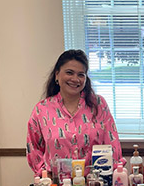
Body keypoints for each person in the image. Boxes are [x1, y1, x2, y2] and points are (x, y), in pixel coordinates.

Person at [27, 49, 125, 177]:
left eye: (81, 74)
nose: (75, 79)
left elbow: (113, 146)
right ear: (57, 75)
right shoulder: (42, 110)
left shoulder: (99, 104)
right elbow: (33, 149)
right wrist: (46, 176)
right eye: (69, 73)